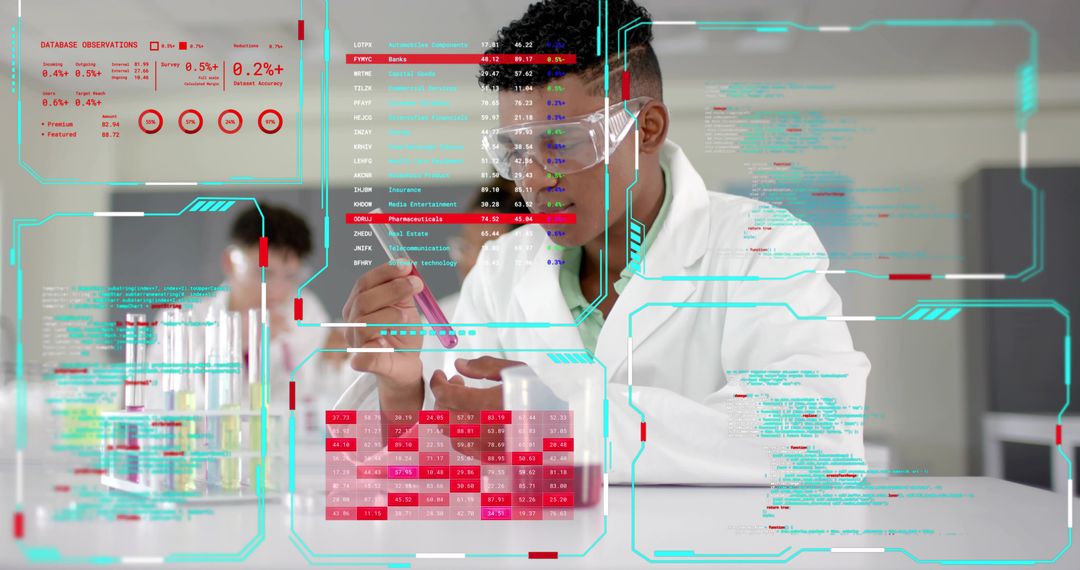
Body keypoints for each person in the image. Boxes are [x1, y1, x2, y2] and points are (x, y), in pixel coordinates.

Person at [341, 0, 870, 484]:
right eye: (515, 151)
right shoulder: (503, 268)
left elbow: (814, 438)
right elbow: (448, 468)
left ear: (647, 129)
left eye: (563, 143)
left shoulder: (763, 246)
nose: (535, 178)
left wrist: (559, 425)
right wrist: (400, 388)